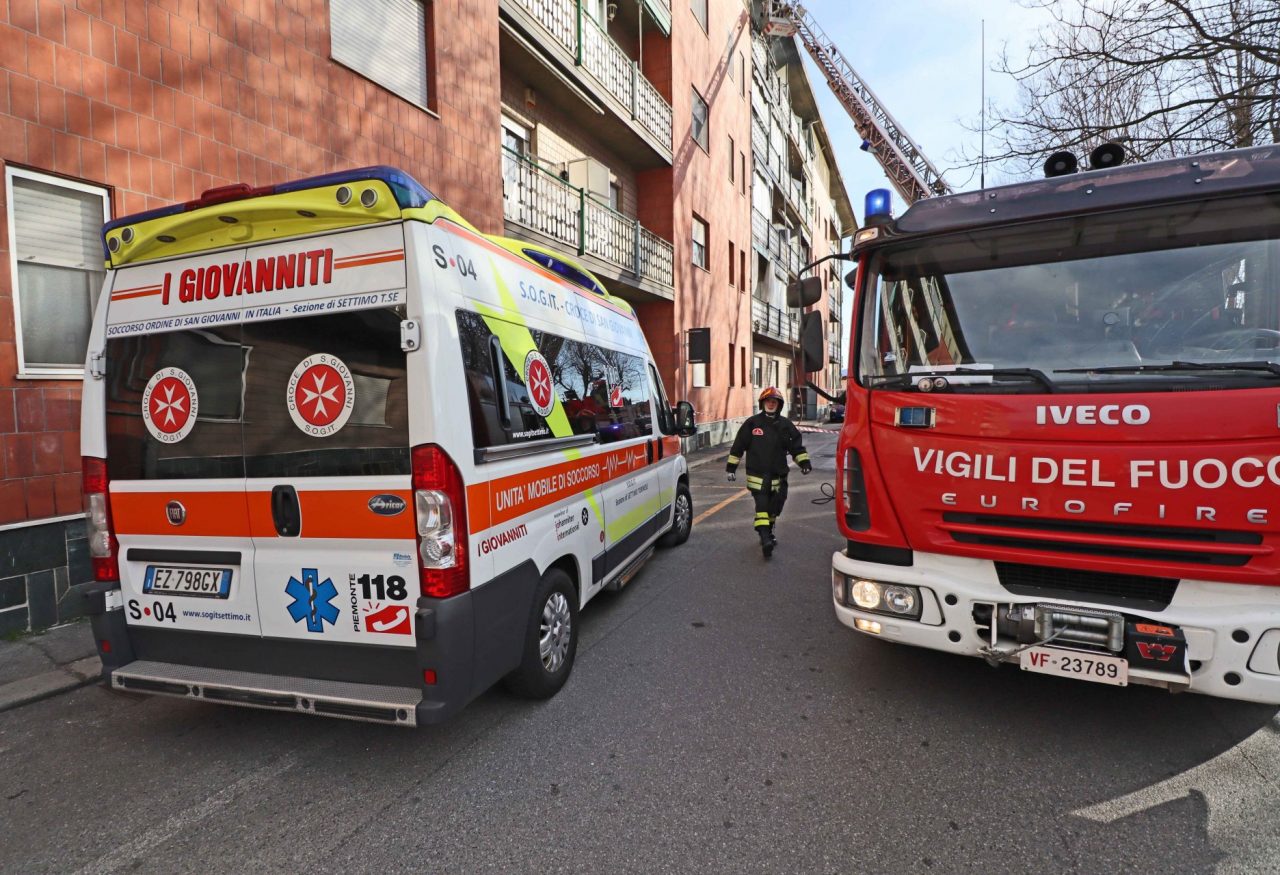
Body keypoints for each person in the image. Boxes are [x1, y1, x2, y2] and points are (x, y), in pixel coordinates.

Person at [726, 387, 811, 558]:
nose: (771, 404)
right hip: (757, 475)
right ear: (762, 403)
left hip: (778, 476)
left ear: (779, 405)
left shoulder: (786, 425)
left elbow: (796, 447)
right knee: (762, 507)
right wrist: (731, 468)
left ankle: (769, 532)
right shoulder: (752, 424)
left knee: (774, 508)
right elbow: (738, 446)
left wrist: (804, 463)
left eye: (774, 402)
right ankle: (765, 539)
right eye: (768, 401)